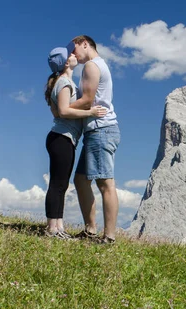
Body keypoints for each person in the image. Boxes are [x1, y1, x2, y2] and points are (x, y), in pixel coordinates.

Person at [44, 44, 106, 239]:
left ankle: (58, 226)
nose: (74, 55)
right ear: (64, 63)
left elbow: (57, 111)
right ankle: (52, 229)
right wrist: (90, 112)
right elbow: (63, 111)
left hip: (63, 138)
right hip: (62, 139)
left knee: (60, 183)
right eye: (70, 54)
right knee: (58, 183)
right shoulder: (64, 83)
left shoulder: (64, 81)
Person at [69, 35, 120, 244]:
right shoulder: (96, 65)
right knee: (81, 180)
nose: (73, 54)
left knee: (105, 183)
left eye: (75, 50)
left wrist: (63, 108)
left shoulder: (91, 65)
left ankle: (109, 237)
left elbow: (88, 99)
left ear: (85, 44)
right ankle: (90, 230)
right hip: (97, 131)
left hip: (101, 130)